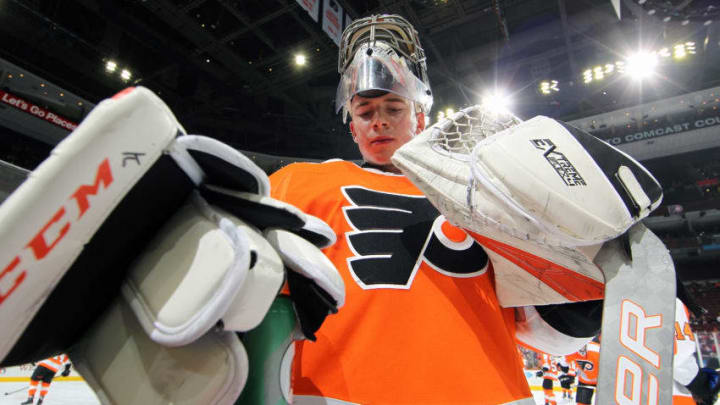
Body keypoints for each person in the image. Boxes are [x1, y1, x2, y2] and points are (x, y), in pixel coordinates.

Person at [268, 14, 601, 404]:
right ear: (351, 126)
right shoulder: (298, 183)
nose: (379, 122)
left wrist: (583, 268)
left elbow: (555, 335)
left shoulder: (487, 193)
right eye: (365, 112)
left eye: (394, 108)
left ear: (421, 116)